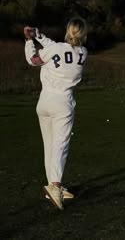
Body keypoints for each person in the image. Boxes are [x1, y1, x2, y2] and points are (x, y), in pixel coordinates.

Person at [24, 17, 88, 210]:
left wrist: (29, 41)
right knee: (60, 146)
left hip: (44, 102)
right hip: (63, 104)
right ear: (83, 34)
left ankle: (53, 185)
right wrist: (38, 35)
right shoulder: (84, 53)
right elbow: (58, 48)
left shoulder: (57, 48)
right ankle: (56, 186)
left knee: (50, 146)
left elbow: (33, 60)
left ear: (68, 31)